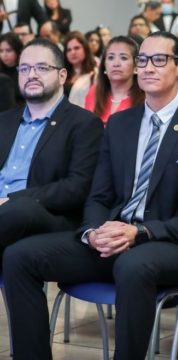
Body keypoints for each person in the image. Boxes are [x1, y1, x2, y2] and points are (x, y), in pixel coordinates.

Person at [2, 30, 178, 360]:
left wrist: (139, 232)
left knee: (133, 265)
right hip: (112, 237)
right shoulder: (121, 123)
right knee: (20, 256)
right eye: (142, 60)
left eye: (159, 60)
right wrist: (93, 231)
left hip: (170, 244)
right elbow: (98, 195)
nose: (148, 67)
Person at [0, 38, 103, 253]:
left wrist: (9, 200)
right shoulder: (4, 120)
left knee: (21, 210)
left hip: (46, 214)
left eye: (42, 68)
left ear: (62, 75)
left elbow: (76, 187)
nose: (32, 75)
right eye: (25, 68)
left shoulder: (84, 123)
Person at [85, 36, 144, 124]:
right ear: (104, 65)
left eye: (123, 58)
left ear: (136, 67)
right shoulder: (94, 92)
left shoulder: (146, 98)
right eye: (111, 58)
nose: (116, 64)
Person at [63, 30, 97, 108]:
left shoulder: (94, 74)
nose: (73, 52)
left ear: (85, 49)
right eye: (69, 50)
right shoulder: (63, 74)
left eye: (76, 48)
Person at [0, 31, 23, 104]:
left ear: (17, 51)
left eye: (8, 50)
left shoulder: (25, 71)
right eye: (1, 51)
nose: (4, 55)